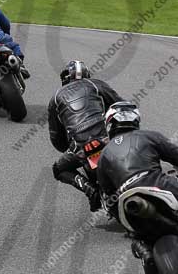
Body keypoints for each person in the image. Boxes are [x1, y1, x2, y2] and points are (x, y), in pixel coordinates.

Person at [97, 101, 178, 274]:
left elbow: (107, 196)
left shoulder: (103, 156)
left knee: (136, 233)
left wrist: (123, 219)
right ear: (135, 119)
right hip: (154, 181)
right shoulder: (148, 136)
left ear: (110, 124)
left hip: (125, 199)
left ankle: (146, 253)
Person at [48, 60, 123, 211]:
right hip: (106, 138)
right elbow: (121, 104)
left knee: (59, 169)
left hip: (80, 147)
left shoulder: (55, 99)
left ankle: (89, 189)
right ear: (87, 74)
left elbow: (56, 136)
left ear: (65, 78)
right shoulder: (96, 84)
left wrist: (67, 148)